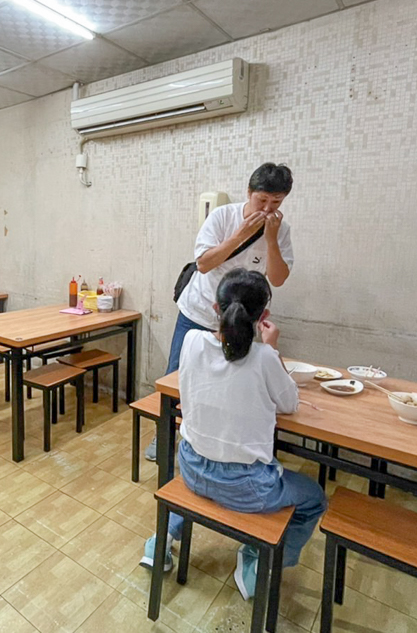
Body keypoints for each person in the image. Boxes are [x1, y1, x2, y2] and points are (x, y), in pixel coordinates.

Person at [140, 269, 326, 600]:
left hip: (193, 468)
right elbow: (289, 404)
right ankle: (255, 561)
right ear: (264, 316)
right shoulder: (265, 358)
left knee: (201, 485)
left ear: (215, 308)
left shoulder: (191, 340)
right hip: (248, 488)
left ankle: (161, 541)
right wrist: (273, 349)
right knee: (314, 498)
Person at [146, 162, 295, 461]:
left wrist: (270, 239)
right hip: (200, 310)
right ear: (249, 193)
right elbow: (204, 263)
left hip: (240, 317)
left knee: (229, 381)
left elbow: (278, 278)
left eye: (275, 202)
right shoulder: (222, 217)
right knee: (176, 375)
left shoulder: (281, 230)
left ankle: (214, 444)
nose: (267, 208)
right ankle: (162, 435)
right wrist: (241, 234)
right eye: (261, 200)